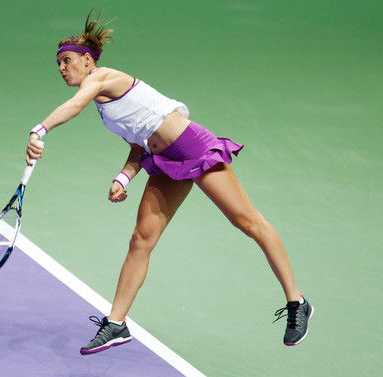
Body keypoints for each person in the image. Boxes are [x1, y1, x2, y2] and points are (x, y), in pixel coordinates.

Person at [25, 11, 314, 354]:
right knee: (140, 240)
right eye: (58, 63)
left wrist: (39, 130)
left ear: (88, 61)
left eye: (67, 60)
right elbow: (138, 146)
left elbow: (73, 106)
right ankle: (116, 324)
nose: (62, 68)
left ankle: (297, 302)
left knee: (248, 222)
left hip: (193, 147)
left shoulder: (103, 78)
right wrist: (123, 177)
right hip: (164, 162)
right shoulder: (103, 107)